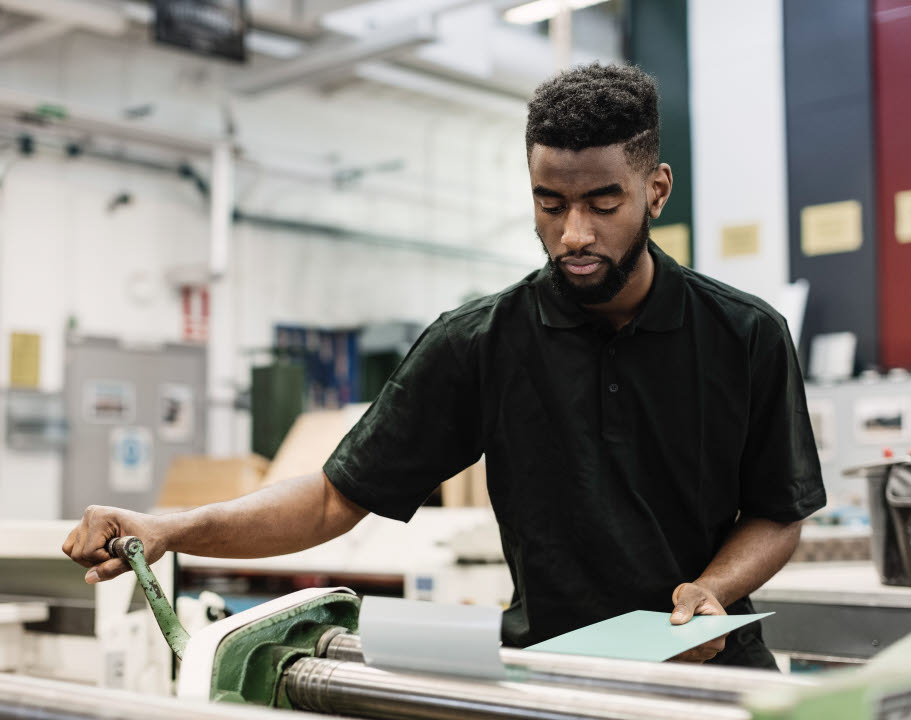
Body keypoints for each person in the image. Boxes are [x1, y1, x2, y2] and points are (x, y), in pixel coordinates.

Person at [63, 63, 824, 668]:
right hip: (555, 675)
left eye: (602, 203)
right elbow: (332, 498)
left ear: (655, 191)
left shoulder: (744, 335)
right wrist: (171, 528)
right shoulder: (480, 343)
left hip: (713, 675)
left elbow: (777, 512)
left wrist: (710, 591)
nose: (573, 235)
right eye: (550, 204)